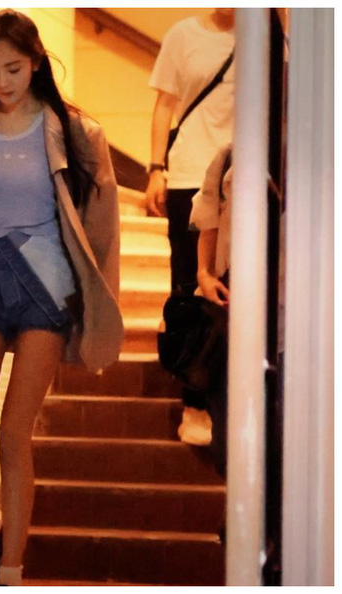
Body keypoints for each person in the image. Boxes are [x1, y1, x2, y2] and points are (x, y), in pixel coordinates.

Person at [0, 9, 123, 586]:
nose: (2, 82)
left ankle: (10, 571)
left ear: (37, 61)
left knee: (14, 433)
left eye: (13, 68)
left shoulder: (77, 131)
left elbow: (103, 229)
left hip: (46, 282)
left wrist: (96, 310)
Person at [146, 9, 235, 446]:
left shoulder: (269, 39)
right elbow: (164, 105)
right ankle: (194, 403)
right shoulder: (183, 35)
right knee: (187, 287)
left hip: (237, 176)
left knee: (233, 287)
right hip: (187, 173)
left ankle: (226, 395)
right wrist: (155, 168)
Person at [190, 142, 233, 479]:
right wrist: (204, 274)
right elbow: (209, 220)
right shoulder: (229, 155)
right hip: (230, 302)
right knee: (227, 440)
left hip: (295, 308)